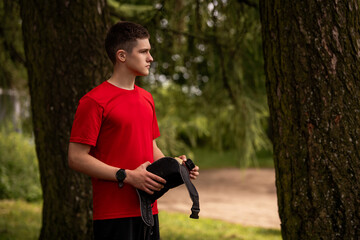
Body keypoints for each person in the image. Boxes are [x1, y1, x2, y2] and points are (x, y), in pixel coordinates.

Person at [68, 21, 199, 240]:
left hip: (148, 210)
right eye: (144, 51)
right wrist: (127, 176)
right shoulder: (94, 101)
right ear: (122, 56)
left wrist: (176, 166)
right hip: (113, 215)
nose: (151, 58)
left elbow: (149, 145)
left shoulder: (146, 98)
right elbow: (76, 158)